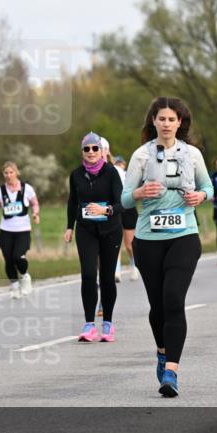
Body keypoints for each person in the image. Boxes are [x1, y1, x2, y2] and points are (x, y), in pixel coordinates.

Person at [121, 96, 213, 398]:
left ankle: (171, 371)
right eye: (161, 119)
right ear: (153, 122)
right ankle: (162, 351)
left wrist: (200, 197)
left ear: (180, 123)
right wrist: (139, 191)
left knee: (174, 299)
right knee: (158, 307)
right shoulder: (141, 156)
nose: (166, 124)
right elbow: (123, 200)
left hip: (184, 235)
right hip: (148, 240)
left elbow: (208, 187)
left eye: (172, 119)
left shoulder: (193, 154)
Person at [65, 132, 124, 342]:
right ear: (82, 151)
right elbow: (72, 202)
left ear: (101, 151)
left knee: (107, 277)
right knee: (88, 275)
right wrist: (69, 227)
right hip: (86, 230)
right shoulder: (76, 175)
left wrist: (105, 211)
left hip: (110, 230)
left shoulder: (112, 173)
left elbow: (121, 203)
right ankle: (89, 325)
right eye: (86, 149)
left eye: (94, 148)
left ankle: (107, 324)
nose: (91, 152)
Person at [0, 161, 40, 299]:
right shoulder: (0, 191)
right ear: (3, 174)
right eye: (6, 173)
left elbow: (35, 203)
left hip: (23, 230)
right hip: (6, 230)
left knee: (18, 256)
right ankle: (14, 287)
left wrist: (35, 213)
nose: (9, 175)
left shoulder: (26, 189)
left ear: (16, 172)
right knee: (9, 260)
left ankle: (24, 275)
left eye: (11, 172)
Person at [113, 156, 139, 282]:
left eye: (120, 163)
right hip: (115, 207)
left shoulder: (127, 174)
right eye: (116, 163)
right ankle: (116, 272)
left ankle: (134, 265)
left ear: (124, 164)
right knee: (115, 243)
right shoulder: (112, 172)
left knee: (129, 245)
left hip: (128, 208)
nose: (119, 165)